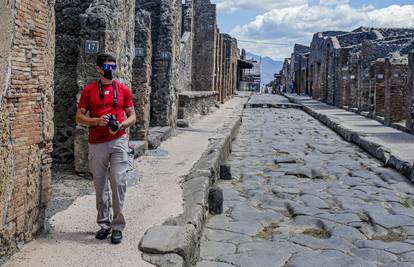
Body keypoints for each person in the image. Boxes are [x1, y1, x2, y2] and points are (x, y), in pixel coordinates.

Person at [76, 53, 136, 244]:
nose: (112, 70)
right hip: (97, 142)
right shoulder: (89, 91)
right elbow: (79, 117)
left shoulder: (123, 90)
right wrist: (96, 121)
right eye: (108, 67)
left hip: (119, 140)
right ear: (99, 69)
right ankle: (104, 224)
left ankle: (117, 226)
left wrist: (122, 125)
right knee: (100, 186)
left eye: (114, 66)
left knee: (118, 182)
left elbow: (133, 116)